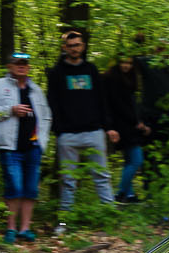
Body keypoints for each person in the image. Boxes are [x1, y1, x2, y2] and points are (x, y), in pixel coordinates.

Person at [46, 28, 115, 219]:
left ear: (83, 46)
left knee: (101, 175)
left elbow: (102, 99)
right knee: (68, 180)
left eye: (77, 45)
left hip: (94, 131)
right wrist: (58, 129)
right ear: (64, 48)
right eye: (70, 46)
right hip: (67, 134)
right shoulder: (57, 73)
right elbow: (52, 102)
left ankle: (109, 217)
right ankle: (65, 220)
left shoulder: (91, 70)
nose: (74, 49)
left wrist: (108, 126)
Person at [0, 51, 50, 243]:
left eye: (25, 63)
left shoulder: (35, 90)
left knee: (31, 188)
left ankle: (25, 228)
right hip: (9, 147)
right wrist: (10, 110)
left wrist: (42, 142)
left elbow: (46, 117)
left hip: (33, 147)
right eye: (17, 63)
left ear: (29, 67)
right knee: (14, 186)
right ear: (9, 66)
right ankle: (11, 228)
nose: (22, 66)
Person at [102, 53, 153, 203]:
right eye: (123, 62)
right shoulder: (114, 80)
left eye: (129, 63)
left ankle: (129, 195)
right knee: (137, 161)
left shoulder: (130, 79)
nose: (126, 66)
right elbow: (119, 106)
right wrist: (136, 122)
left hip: (128, 125)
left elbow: (132, 104)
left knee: (129, 160)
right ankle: (120, 193)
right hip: (123, 126)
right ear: (118, 63)